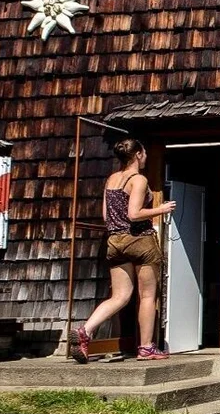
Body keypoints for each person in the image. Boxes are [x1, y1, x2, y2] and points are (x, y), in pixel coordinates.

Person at [71, 138, 175, 363]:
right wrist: (161, 209)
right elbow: (134, 214)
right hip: (139, 240)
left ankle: (85, 331)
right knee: (147, 295)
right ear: (137, 155)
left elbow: (107, 217)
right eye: (144, 152)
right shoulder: (138, 180)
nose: (146, 156)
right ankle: (146, 348)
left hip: (115, 241)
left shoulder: (112, 179)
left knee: (119, 296)